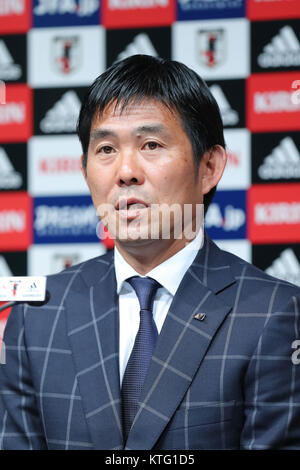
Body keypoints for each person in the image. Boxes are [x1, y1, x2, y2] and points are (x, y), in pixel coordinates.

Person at [0, 54, 300, 450]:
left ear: (209, 166)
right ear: (85, 168)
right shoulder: (37, 315)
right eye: (105, 149)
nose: (126, 171)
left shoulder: (274, 312)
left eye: (151, 144)